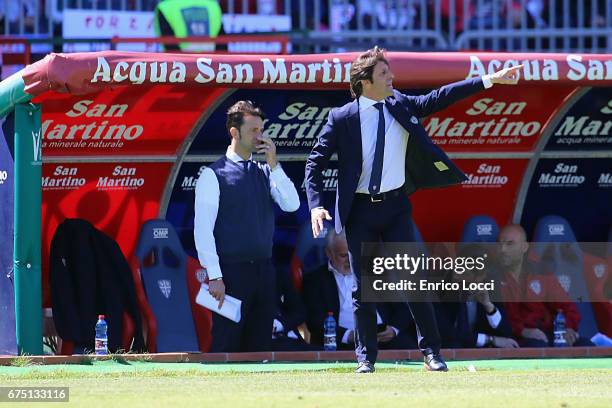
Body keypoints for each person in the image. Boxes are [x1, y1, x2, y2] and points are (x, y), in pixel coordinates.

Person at [304, 46, 522, 373]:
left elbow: (441, 96)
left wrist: (489, 80)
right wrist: (316, 206)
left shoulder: (401, 105)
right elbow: (314, 164)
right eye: (384, 73)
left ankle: (432, 353)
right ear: (365, 82)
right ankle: (366, 358)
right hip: (360, 211)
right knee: (362, 288)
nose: (392, 77)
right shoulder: (342, 118)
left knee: (414, 281)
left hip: (394, 208)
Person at [194, 100, 300, 352]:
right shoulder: (213, 174)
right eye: (253, 130)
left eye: (261, 130)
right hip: (230, 274)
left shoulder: (265, 171)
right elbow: (203, 232)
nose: (259, 136)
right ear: (234, 132)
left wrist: (274, 164)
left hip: (264, 271)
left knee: (260, 345)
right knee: (227, 344)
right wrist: (215, 276)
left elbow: (292, 204)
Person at [302, 229, 417, 351]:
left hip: (383, 339)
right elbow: (314, 320)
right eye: (344, 255)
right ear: (329, 253)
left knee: (410, 347)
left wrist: (393, 329)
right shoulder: (314, 279)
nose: (350, 260)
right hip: (342, 342)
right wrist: (349, 336)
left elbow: (404, 308)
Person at [497, 225, 594, 347]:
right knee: (537, 347)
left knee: (585, 344)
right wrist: (523, 331)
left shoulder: (541, 272)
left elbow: (568, 307)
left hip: (550, 333)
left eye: (509, 244)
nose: (502, 250)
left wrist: (568, 328)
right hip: (518, 338)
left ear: (524, 247)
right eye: (499, 244)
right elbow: (501, 318)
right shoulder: (494, 276)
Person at [154, 0, 223, 51]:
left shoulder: (166, 7)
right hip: (211, 64)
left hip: (178, 66)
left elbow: (168, 42)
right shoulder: (212, 5)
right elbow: (222, 43)